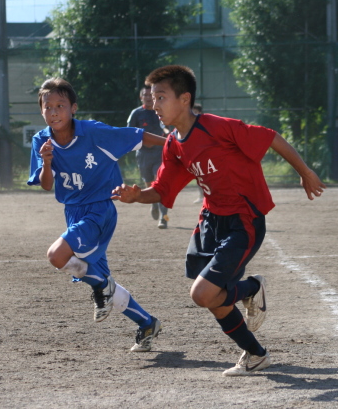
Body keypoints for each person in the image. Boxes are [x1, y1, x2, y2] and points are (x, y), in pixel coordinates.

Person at [112, 65, 326, 376]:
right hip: (211, 223)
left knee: (202, 294)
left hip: (243, 219)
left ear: (185, 99)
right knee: (215, 298)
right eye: (153, 98)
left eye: (161, 97)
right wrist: (136, 196)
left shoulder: (216, 127)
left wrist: (305, 172)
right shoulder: (173, 144)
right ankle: (256, 354)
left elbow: (270, 137)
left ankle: (252, 288)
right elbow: (162, 190)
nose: (154, 104)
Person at [28, 77, 165, 352]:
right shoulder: (41, 140)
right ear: (41, 111)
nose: (54, 112)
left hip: (100, 209)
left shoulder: (93, 132)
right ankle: (147, 323)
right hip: (73, 212)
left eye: (60, 105)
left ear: (73, 108)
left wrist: (179, 146)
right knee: (97, 277)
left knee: (57, 256)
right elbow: (46, 184)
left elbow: (137, 136)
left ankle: (103, 287)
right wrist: (46, 161)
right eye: (47, 106)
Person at [127, 85, 170, 229]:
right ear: (141, 97)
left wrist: (168, 133)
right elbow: (129, 131)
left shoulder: (162, 111)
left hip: (160, 153)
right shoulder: (136, 113)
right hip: (143, 154)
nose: (147, 98)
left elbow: (169, 127)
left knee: (160, 183)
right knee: (149, 184)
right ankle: (154, 203)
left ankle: (164, 218)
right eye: (144, 95)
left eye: (149, 95)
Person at [191, 103, 204, 204]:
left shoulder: (203, 124)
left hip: (204, 154)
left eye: (195, 112)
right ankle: (201, 196)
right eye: (192, 111)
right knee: (198, 176)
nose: (193, 114)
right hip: (195, 155)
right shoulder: (188, 124)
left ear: (200, 113)